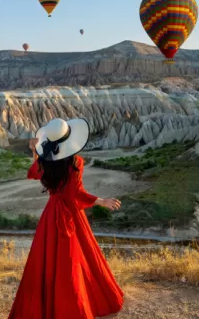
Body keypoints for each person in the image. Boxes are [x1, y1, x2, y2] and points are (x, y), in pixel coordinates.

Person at [8, 117, 124, 319]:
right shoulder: (75, 162)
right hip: (69, 215)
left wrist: (35, 152)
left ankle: (49, 306)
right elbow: (75, 194)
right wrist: (100, 201)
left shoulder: (45, 160)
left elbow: (34, 173)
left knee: (47, 261)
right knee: (74, 261)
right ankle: (74, 306)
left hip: (51, 214)